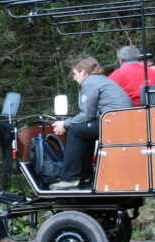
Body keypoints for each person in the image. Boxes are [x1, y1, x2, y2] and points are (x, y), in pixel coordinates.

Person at [49, 56, 132, 190]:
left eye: (75, 74)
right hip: (121, 121)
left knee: (75, 131)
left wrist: (65, 124)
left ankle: (70, 179)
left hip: (115, 122)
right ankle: (85, 176)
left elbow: (86, 115)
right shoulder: (101, 80)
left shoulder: (89, 83)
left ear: (83, 72)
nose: (75, 78)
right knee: (83, 130)